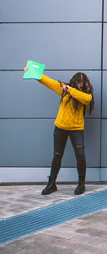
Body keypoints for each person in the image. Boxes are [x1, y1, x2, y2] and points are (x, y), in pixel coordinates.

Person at [23, 65, 94, 195]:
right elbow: (47, 81)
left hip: (76, 130)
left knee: (80, 156)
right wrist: (31, 71)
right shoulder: (63, 89)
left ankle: (81, 184)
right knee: (57, 156)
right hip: (60, 129)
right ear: (74, 81)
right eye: (78, 83)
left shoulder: (84, 95)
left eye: (82, 84)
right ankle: (51, 184)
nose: (80, 85)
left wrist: (70, 90)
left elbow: (87, 99)